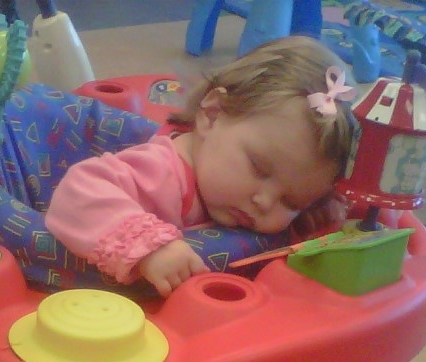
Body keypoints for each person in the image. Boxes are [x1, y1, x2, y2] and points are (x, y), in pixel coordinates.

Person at [45, 36, 358, 297]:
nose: (264, 202)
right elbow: (78, 192)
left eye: (291, 202)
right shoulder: (163, 172)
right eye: (259, 169)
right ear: (213, 114)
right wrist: (149, 248)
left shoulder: (266, 168)